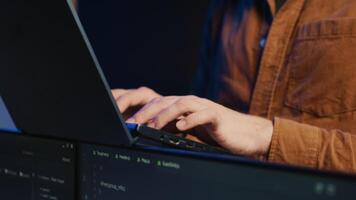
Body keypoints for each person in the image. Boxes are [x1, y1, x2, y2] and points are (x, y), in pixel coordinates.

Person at [112, 0, 356, 173]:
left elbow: (248, 134)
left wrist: (265, 136)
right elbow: (216, 136)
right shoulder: (226, 7)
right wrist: (167, 121)